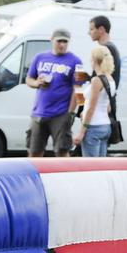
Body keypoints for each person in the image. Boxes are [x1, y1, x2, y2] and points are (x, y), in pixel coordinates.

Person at [26, 29, 83, 157]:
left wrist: (71, 113)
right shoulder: (39, 57)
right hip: (39, 113)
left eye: (65, 42)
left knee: (62, 152)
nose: (62, 44)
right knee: (34, 152)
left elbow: (79, 89)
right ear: (51, 40)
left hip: (61, 114)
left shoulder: (77, 61)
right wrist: (37, 83)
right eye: (59, 41)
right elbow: (28, 79)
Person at [72, 45, 118, 157]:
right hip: (105, 126)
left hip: (93, 127)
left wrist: (81, 132)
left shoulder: (96, 80)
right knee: (100, 164)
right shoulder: (110, 79)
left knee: (90, 164)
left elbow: (91, 108)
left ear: (94, 61)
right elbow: (108, 107)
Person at [88, 15, 121, 88]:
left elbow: (102, 79)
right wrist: (87, 77)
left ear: (101, 29)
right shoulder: (111, 47)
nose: (89, 33)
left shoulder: (105, 49)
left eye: (91, 29)